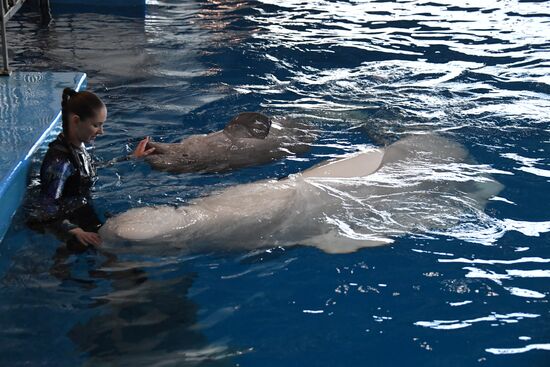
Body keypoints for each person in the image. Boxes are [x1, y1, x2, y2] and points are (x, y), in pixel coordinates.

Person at [28, 87, 155, 251]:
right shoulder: (59, 162)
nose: (101, 132)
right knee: (113, 257)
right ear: (75, 121)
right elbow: (46, 208)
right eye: (96, 125)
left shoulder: (76, 148)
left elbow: (88, 169)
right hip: (71, 222)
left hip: (82, 211)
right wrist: (74, 230)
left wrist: (130, 158)